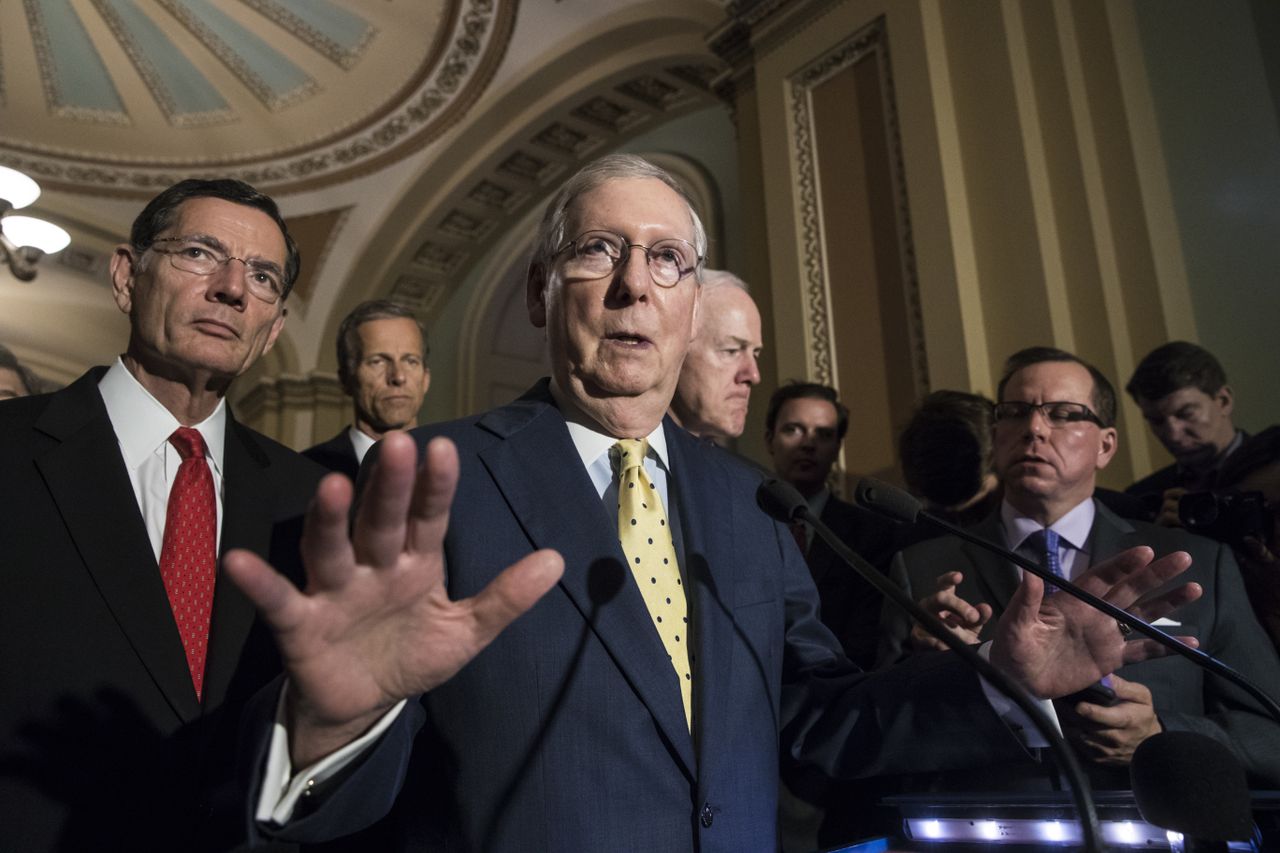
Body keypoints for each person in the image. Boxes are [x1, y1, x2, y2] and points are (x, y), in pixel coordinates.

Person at [226, 157, 1200, 852]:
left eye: (665, 261)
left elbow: (816, 727)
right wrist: (330, 725)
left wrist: (994, 677)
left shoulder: (752, 503)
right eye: (595, 251)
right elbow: (332, 802)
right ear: (538, 293)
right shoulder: (431, 478)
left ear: (690, 306)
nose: (629, 288)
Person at [0, 179, 323, 852]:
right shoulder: (11, 449)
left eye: (263, 276)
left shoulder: (311, 501)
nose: (233, 287)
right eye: (201, 253)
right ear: (126, 276)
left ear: (273, 330)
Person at [878, 346, 1280, 787]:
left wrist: (1163, 733)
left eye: (1064, 414)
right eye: (1015, 412)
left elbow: (1270, 734)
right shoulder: (922, 568)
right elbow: (875, 735)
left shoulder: (1197, 563)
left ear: (1105, 446)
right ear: (995, 436)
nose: (1034, 428)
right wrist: (932, 670)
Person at [764, 381, 898, 668]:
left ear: (837, 447)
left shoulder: (870, 533)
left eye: (823, 434)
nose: (808, 444)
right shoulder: (739, 525)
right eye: (793, 429)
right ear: (769, 440)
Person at [304, 300, 430, 480]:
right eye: (377, 361)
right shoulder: (304, 470)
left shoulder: (464, 466)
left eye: (411, 361)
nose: (398, 377)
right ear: (345, 379)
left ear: (426, 378)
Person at [1125, 341, 1248, 523]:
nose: (1173, 435)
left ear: (1223, 401)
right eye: (1156, 421)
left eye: (1186, 414)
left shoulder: (1273, 478)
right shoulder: (1139, 500)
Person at [668, 269, 762, 442]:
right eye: (731, 350)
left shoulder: (744, 470)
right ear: (674, 348)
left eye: (755, 354)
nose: (753, 376)